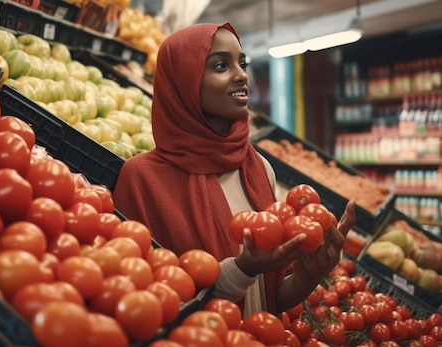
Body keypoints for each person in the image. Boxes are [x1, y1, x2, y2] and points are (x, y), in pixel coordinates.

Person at [112, 22, 356, 317]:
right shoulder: (141, 179)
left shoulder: (258, 168)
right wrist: (242, 269)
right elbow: (144, 304)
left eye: (242, 64)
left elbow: (269, 299)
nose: (241, 76)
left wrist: (309, 274)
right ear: (183, 82)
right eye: (220, 66)